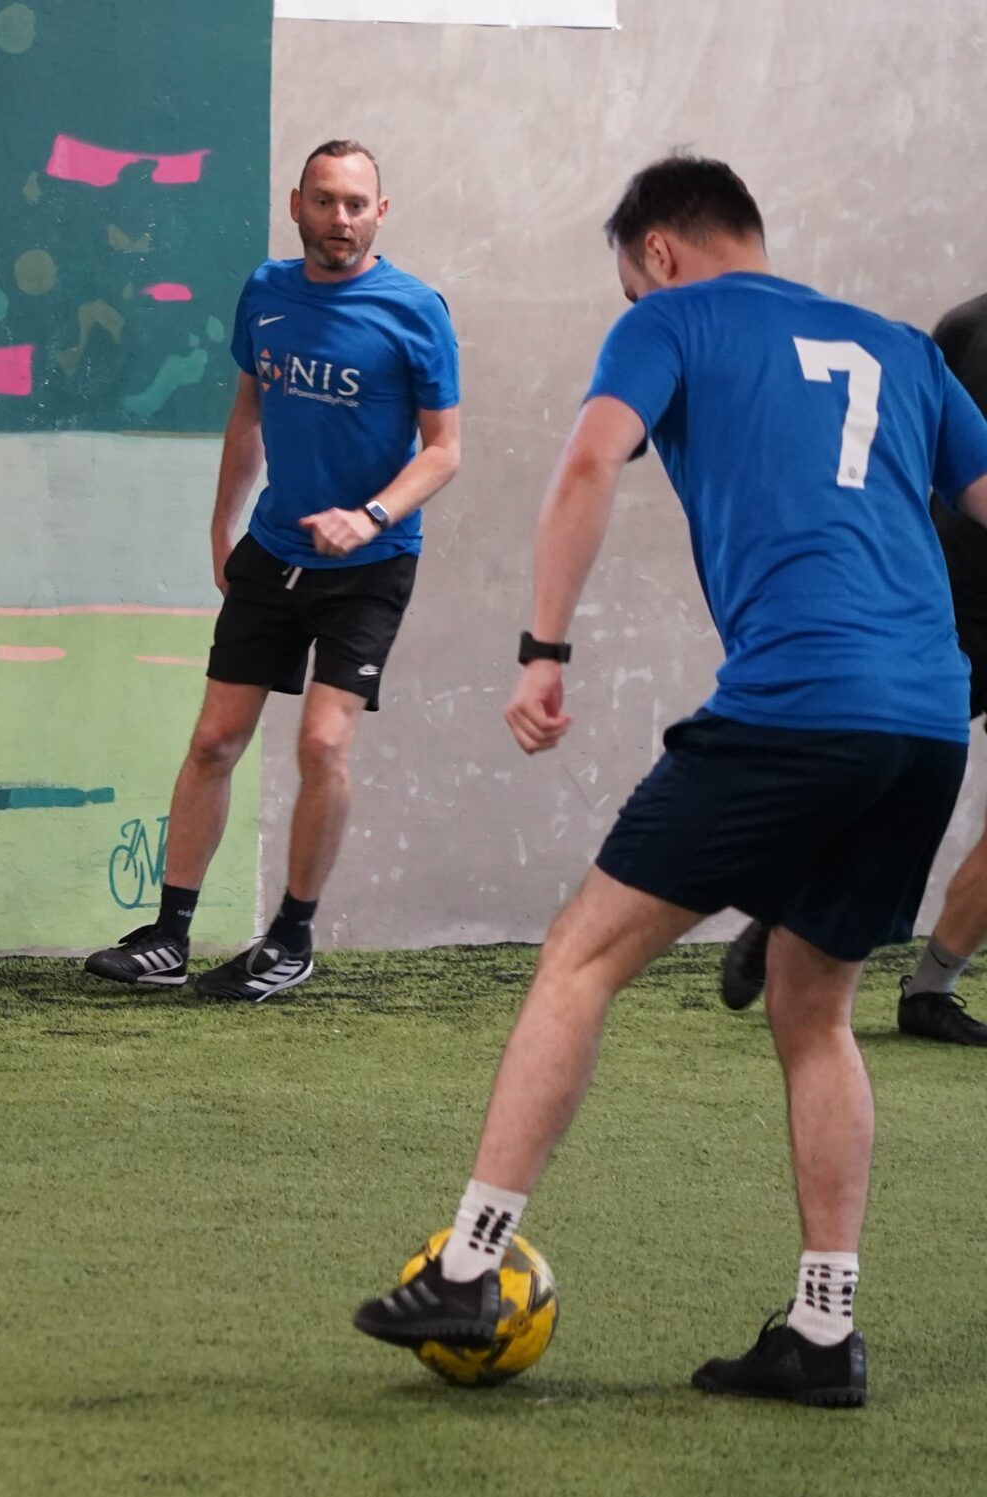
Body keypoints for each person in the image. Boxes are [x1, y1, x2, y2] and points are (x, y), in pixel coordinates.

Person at [352, 156, 987, 1407]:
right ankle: (822, 1333)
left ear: (656, 250)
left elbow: (590, 462)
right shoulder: (902, 347)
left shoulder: (671, 320)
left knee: (580, 958)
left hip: (796, 701)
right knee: (814, 1007)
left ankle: (468, 1264)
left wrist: (541, 649)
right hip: (926, 718)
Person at [84, 140, 460, 1001]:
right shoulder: (266, 292)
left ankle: (290, 940)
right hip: (274, 551)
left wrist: (369, 516)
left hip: (370, 564)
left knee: (323, 743)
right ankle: (168, 938)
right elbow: (249, 409)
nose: (340, 220)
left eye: (356, 204)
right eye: (324, 201)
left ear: (380, 213)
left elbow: (445, 450)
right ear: (297, 205)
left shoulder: (415, 310)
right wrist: (221, 525)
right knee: (214, 740)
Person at [717, 290, 987, 1047]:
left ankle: (930, 990)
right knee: (875, 774)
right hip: (951, 599)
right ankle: (789, 900)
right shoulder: (969, 328)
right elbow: (907, 444)